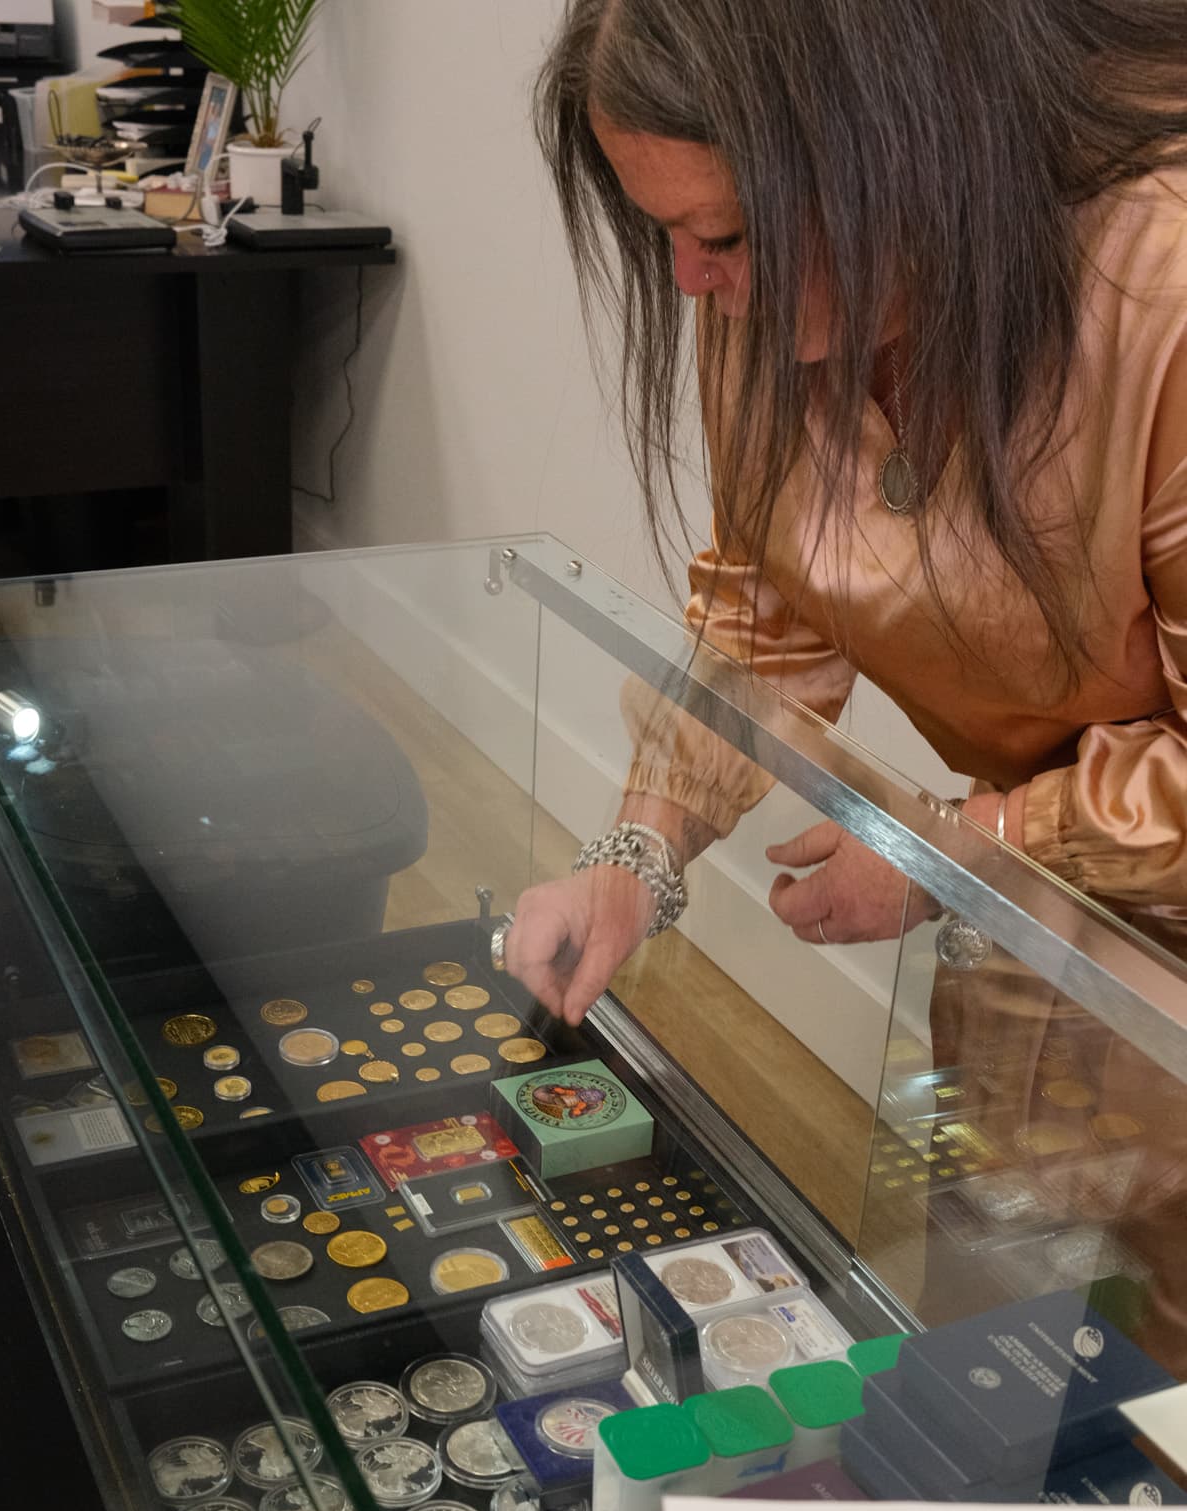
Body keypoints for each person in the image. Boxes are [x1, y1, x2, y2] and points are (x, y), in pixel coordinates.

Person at [505, 0, 1187, 1376]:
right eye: (666, 237)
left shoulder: (1157, 288)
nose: (691, 286)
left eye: (728, 236)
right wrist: (639, 855)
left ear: (900, 156)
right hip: (1035, 920)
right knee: (1004, 1362)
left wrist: (954, 851)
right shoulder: (768, 298)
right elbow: (762, 619)